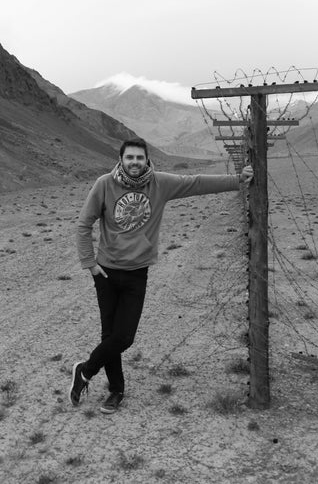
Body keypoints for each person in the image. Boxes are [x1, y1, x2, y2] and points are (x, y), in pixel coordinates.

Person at [71, 137, 253, 414]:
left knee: (124, 337)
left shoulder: (159, 183)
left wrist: (238, 180)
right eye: (129, 157)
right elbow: (84, 224)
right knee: (110, 334)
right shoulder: (104, 184)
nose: (134, 162)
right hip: (106, 273)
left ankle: (84, 371)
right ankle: (116, 390)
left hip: (136, 273)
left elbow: (196, 183)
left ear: (147, 160)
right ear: (121, 160)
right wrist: (90, 264)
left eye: (139, 158)